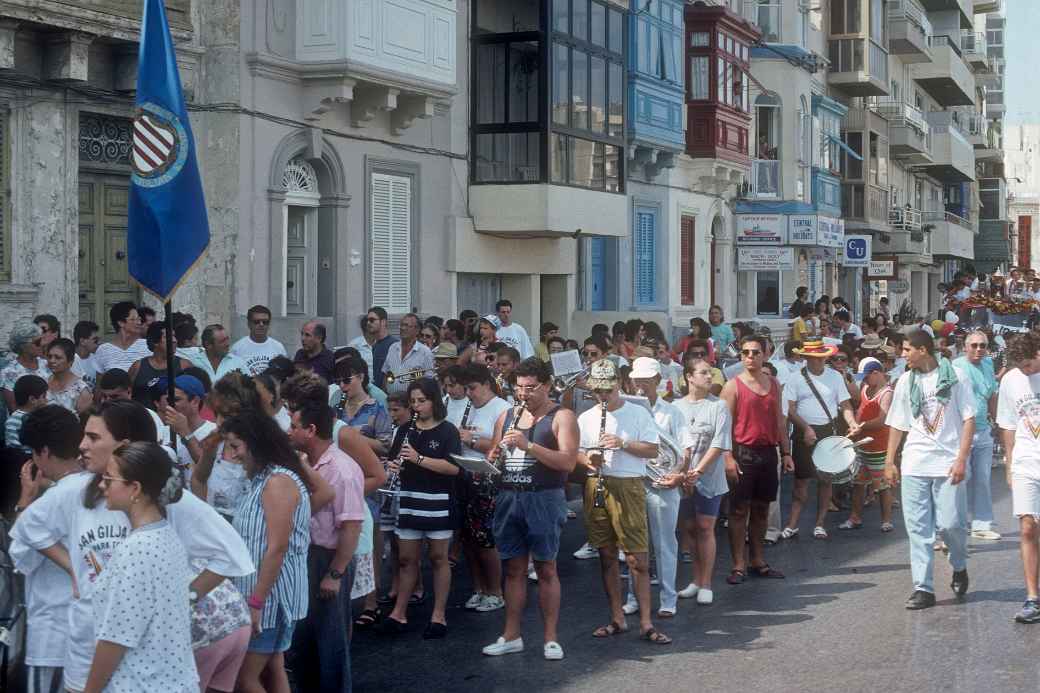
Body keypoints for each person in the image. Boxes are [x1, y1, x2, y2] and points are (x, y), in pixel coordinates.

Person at [11, 400, 254, 693]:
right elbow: (28, 528)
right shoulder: (74, 491)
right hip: (85, 651)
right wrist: (75, 569)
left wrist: (184, 597)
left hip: (144, 664)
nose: (82, 445)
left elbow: (231, 555)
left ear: (124, 446)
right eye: (84, 435)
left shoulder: (165, 508)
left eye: (93, 437)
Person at [481, 357, 578, 660]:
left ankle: (550, 639)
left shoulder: (562, 416)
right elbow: (494, 456)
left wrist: (529, 446)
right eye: (519, 388)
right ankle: (511, 636)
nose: (523, 394)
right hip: (510, 495)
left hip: (544, 497)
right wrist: (490, 459)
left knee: (547, 567)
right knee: (512, 569)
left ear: (547, 385)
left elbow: (569, 463)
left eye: (531, 388)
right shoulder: (507, 415)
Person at [83, 441, 196, 692]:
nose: (102, 486)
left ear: (134, 488)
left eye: (109, 479)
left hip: (141, 684)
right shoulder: (168, 537)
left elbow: (116, 638)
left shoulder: (137, 549)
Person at [576, 359, 670, 645]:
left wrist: (623, 443)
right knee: (606, 555)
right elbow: (577, 453)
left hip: (628, 484)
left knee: (637, 558)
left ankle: (645, 622)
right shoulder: (586, 417)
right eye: (598, 391)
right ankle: (617, 618)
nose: (603, 396)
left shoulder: (637, 414)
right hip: (597, 483)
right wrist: (587, 459)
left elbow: (653, 449)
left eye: (608, 390)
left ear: (618, 384)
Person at [219, 411, 313, 693]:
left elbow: (277, 547)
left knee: (244, 679)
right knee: (272, 670)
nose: (232, 455)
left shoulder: (278, 482)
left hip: (271, 598)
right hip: (262, 596)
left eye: (235, 446)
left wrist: (256, 602)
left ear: (256, 443)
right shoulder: (263, 479)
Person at [885, 330, 975, 610]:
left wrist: (961, 458)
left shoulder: (956, 377)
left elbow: (969, 419)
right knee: (918, 530)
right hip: (915, 463)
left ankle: (958, 565)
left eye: (907, 350)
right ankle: (923, 588)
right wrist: (890, 461)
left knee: (951, 524)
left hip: (948, 462)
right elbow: (898, 423)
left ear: (923, 350)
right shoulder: (905, 381)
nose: (903, 354)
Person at [287, 401, 365, 693]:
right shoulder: (306, 463)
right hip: (307, 556)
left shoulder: (342, 469)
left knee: (331, 642)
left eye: (294, 426)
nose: (289, 431)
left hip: (329, 557)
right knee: (304, 640)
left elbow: (351, 526)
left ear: (311, 430)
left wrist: (335, 574)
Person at [378, 378, 462, 638]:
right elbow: (392, 460)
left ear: (434, 401)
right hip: (410, 499)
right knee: (406, 559)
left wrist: (418, 458)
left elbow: (454, 468)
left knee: (438, 558)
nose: (416, 407)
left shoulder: (448, 431)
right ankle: (399, 613)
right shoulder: (405, 430)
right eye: (413, 402)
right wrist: (391, 467)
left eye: (421, 401)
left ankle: (438, 616)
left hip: (437, 502)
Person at [9, 406, 78, 692]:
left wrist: (25, 500)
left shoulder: (46, 505)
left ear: (44, 452)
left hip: (52, 632)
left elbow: (20, 557)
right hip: (91, 634)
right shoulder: (104, 489)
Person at [720, 335, 791, 584]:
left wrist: (786, 452)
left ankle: (757, 560)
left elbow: (780, 421)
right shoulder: (732, 386)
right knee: (739, 511)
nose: (750, 357)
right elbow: (723, 426)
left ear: (765, 355)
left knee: (762, 509)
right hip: (743, 452)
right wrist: (728, 457)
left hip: (768, 453)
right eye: (745, 352)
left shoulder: (774, 384)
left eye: (755, 352)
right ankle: (738, 564)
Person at [623, 357, 686, 618]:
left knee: (664, 544)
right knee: (634, 546)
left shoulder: (672, 412)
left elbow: (684, 449)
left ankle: (668, 598)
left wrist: (678, 475)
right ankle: (633, 597)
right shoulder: (626, 409)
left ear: (658, 381)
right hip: (635, 482)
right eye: (637, 382)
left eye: (646, 382)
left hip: (662, 483)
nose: (640, 387)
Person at [782, 338, 861, 540]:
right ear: (806, 358)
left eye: (820, 358)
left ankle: (819, 524)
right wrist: (806, 428)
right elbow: (790, 410)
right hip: (803, 432)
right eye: (813, 358)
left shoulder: (835, 377)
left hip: (828, 430)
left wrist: (851, 422)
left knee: (825, 480)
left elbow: (845, 405)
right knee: (801, 482)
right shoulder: (795, 378)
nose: (817, 362)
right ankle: (792, 524)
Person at [674, 356, 732, 605]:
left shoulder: (718, 406)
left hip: (709, 477)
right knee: (688, 529)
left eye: (711, 373)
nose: (710, 377)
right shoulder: (675, 406)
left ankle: (707, 583)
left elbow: (719, 443)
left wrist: (697, 471)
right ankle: (695, 580)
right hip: (683, 478)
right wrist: (682, 473)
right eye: (704, 373)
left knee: (706, 527)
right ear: (689, 377)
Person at [456, 364, 512, 613]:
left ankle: (495, 591)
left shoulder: (501, 408)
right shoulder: (470, 407)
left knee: (485, 539)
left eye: (473, 388)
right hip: (465, 476)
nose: (469, 393)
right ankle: (479, 589)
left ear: (487, 385)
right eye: (466, 388)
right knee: (468, 539)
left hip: (488, 480)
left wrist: (472, 440)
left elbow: (502, 446)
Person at [996, 333, 1040, 622]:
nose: (1025, 371)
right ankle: (1032, 598)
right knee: (1027, 528)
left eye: (1029, 365)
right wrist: (1010, 464)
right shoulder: (1010, 380)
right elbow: (1008, 424)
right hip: (1025, 461)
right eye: (1020, 366)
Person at [953, 330, 1001, 540]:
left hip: (983, 430)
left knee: (982, 478)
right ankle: (955, 525)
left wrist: (997, 421)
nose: (979, 349)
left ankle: (981, 524)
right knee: (961, 479)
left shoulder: (989, 365)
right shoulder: (956, 367)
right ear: (965, 347)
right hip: (962, 432)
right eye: (974, 345)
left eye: (983, 345)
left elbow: (991, 394)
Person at [841, 357, 895, 532]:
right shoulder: (865, 387)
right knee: (858, 483)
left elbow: (882, 420)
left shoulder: (886, 393)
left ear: (876, 373)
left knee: (883, 486)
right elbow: (859, 408)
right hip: (862, 444)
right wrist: (855, 426)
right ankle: (855, 517)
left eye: (866, 376)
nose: (864, 380)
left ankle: (886, 521)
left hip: (879, 446)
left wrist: (860, 426)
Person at [156, 374, 217, 481]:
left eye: (176, 400)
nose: (170, 405)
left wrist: (185, 433)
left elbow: (213, 469)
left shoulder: (213, 432)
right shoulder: (162, 431)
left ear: (195, 401)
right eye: (168, 400)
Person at [335, 353, 392, 456]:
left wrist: (352, 436)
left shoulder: (377, 408)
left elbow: (385, 448)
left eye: (347, 380)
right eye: (338, 382)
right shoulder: (336, 409)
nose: (342, 385)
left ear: (361, 377)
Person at [127, 321, 191, 405]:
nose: (174, 340)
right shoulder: (138, 366)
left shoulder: (184, 365)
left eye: (174, 336)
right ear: (155, 341)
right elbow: (127, 394)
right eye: (168, 336)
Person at [96, 369, 167, 442]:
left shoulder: (148, 416)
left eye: (114, 397)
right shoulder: (97, 418)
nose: (108, 401)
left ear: (129, 392)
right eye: (104, 396)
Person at [1, 321, 50, 412]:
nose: (42, 344)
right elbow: (14, 408)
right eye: (37, 342)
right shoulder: (9, 372)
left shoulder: (47, 365)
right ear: (23, 346)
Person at [381, 313, 434, 394]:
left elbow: (429, 380)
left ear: (417, 330)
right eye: (401, 325)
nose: (402, 328)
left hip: (412, 401)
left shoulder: (425, 352)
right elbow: (386, 373)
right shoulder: (393, 347)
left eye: (406, 325)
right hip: (391, 400)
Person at [93, 301, 149, 374]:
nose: (139, 323)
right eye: (133, 319)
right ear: (121, 323)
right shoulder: (103, 350)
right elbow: (100, 383)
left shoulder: (147, 346)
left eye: (139, 319)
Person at [349, 306, 398, 389]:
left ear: (383, 322)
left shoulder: (394, 345)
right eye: (367, 320)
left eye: (372, 320)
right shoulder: (375, 346)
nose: (368, 323)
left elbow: (395, 375)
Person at [232, 305, 288, 375]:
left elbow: (285, 373)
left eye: (265, 322)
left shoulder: (279, 348)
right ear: (249, 324)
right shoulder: (237, 349)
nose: (261, 324)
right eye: (256, 322)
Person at [45, 338, 93, 414]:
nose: (52, 361)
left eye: (58, 357)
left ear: (70, 361)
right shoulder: (43, 382)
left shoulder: (81, 391)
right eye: (49, 356)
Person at [6, 375, 50, 455]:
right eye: (44, 396)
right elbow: (14, 449)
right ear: (32, 399)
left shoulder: (41, 415)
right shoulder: (13, 421)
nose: (47, 400)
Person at [72, 320, 101, 389]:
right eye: (95, 340)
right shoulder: (66, 360)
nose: (99, 343)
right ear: (82, 341)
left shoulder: (98, 360)